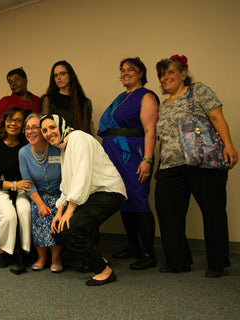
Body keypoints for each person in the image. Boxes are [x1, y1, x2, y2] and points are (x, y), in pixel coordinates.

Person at [154, 54, 238, 277]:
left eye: (171, 72)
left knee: (213, 212)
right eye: (162, 75)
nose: (165, 77)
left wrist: (229, 145)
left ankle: (217, 263)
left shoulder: (197, 91)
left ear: (183, 75)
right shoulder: (163, 106)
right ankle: (178, 261)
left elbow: (217, 117)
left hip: (203, 162)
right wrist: (160, 165)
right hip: (170, 167)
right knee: (169, 214)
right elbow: (163, 138)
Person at [40, 114, 127, 286]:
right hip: (92, 194)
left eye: (52, 127)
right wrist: (60, 211)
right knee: (58, 230)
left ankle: (104, 271)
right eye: (44, 130)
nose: (48, 133)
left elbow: (82, 176)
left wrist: (70, 211)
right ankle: (97, 259)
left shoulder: (78, 138)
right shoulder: (65, 147)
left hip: (109, 192)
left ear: (62, 125)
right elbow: (68, 183)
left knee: (69, 230)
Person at [97, 57, 159, 270]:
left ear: (141, 73)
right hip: (113, 153)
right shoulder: (121, 96)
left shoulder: (146, 96)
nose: (125, 73)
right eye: (122, 70)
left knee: (138, 200)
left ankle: (149, 253)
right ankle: (134, 246)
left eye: (130, 69)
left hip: (132, 153)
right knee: (123, 198)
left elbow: (150, 129)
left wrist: (147, 159)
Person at [0, 106, 33, 270]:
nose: (14, 124)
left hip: (22, 187)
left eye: (18, 120)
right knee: (10, 216)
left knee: (25, 211)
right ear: (5, 121)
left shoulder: (26, 144)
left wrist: (19, 186)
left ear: (23, 124)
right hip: (1, 187)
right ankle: (1, 250)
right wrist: (12, 185)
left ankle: (23, 251)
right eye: (10, 119)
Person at [18, 113, 63, 272]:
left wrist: (62, 200)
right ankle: (42, 257)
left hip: (60, 193)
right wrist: (41, 204)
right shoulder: (23, 153)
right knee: (37, 212)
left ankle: (56, 258)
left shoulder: (58, 149)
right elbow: (28, 184)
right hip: (38, 194)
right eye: (27, 128)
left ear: (43, 132)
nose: (30, 131)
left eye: (35, 127)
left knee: (56, 213)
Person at [40, 60, 93, 134]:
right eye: (55, 75)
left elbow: (86, 132)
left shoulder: (84, 102)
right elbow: (44, 128)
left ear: (70, 75)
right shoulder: (48, 99)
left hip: (77, 142)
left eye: (62, 74)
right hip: (53, 142)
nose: (58, 77)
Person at [0, 68, 40, 133]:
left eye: (16, 80)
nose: (13, 84)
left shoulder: (38, 100)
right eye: (10, 82)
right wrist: (13, 124)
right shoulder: (6, 101)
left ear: (25, 80)